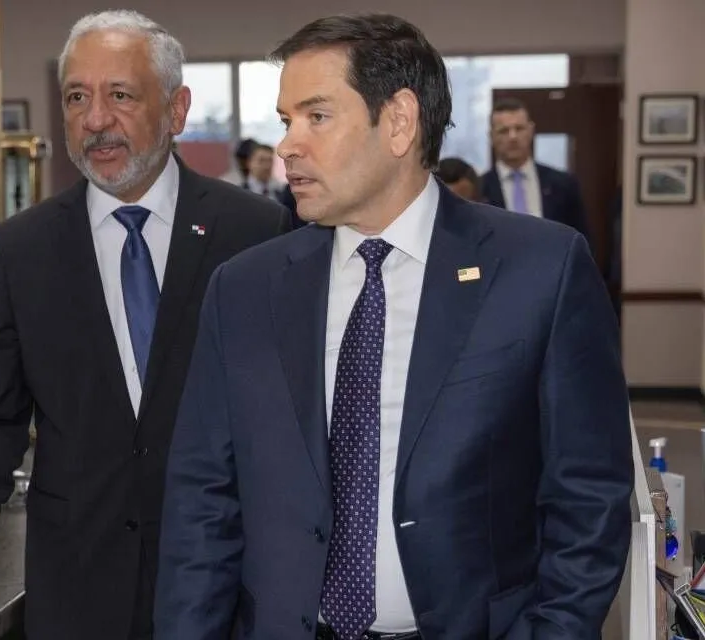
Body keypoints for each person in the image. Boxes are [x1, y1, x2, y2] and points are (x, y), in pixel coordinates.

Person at [155, 13, 632, 640]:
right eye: (285, 120)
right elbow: (202, 502)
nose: (289, 145)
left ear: (400, 121)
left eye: (316, 116)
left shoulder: (540, 269)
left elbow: (588, 494)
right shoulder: (244, 288)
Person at [0, 10, 289, 640]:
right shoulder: (22, 249)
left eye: (120, 95)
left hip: (224, 585)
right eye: (76, 97)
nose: (95, 120)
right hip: (77, 588)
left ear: (176, 110)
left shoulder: (254, 232)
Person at [480, 98, 590, 240]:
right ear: (491, 136)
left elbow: (581, 239)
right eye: (504, 131)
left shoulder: (563, 184)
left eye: (519, 128)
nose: (513, 137)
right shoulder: (480, 189)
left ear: (531, 130)